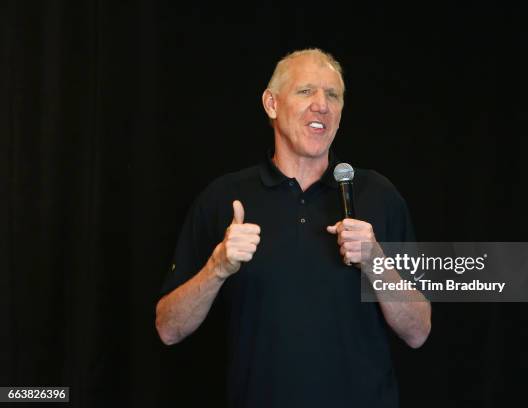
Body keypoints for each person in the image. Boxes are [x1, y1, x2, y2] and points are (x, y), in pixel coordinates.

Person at [156, 48, 431, 408]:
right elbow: (169, 329)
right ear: (272, 104)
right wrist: (217, 267)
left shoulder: (378, 195)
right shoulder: (224, 197)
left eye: (333, 95)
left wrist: (375, 261)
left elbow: (418, 331)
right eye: (306, 91)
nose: (322, 105)